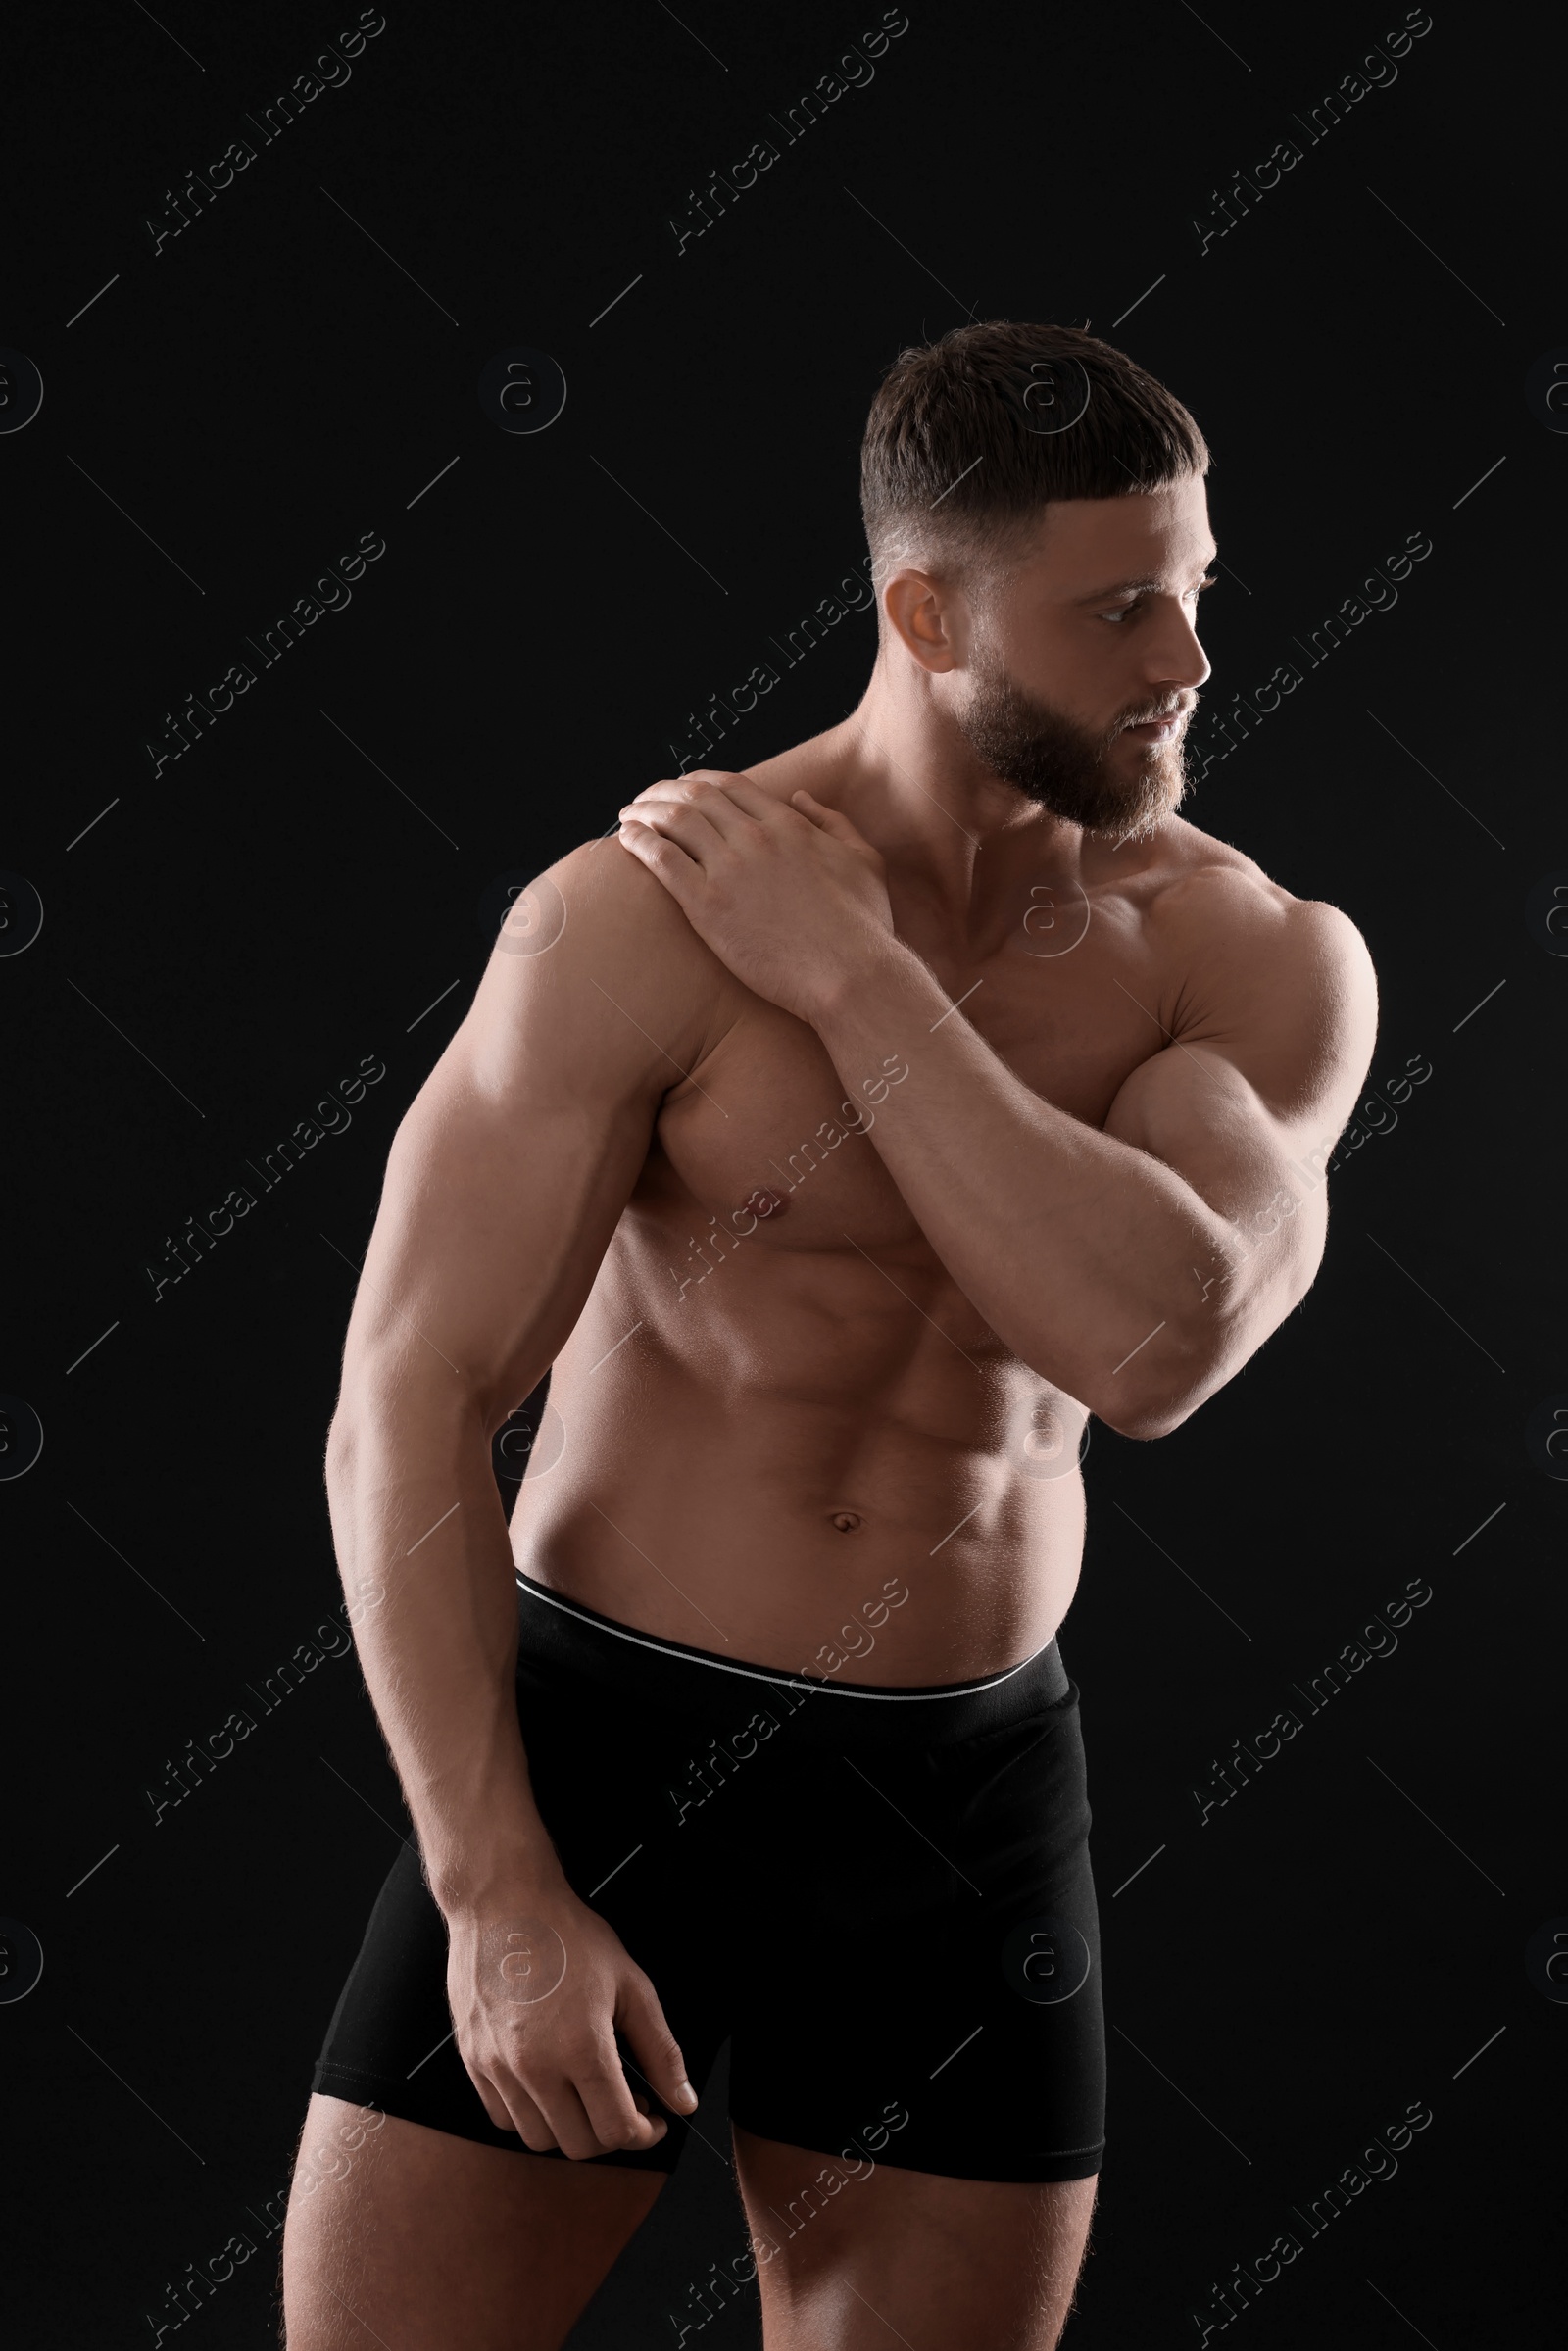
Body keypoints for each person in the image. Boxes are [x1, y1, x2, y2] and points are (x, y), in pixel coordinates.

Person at [281, 319, 1377, 2349]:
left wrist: (861, 989)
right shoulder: (632, 924)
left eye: (1197, 590)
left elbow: (1157, 1347)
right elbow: (406, 1401)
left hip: (953, 1811)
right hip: (601, 1762)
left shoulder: (1242, 954)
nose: (1185, 663)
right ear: (922, 609)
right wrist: (494, 1891)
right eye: (1119, 606)